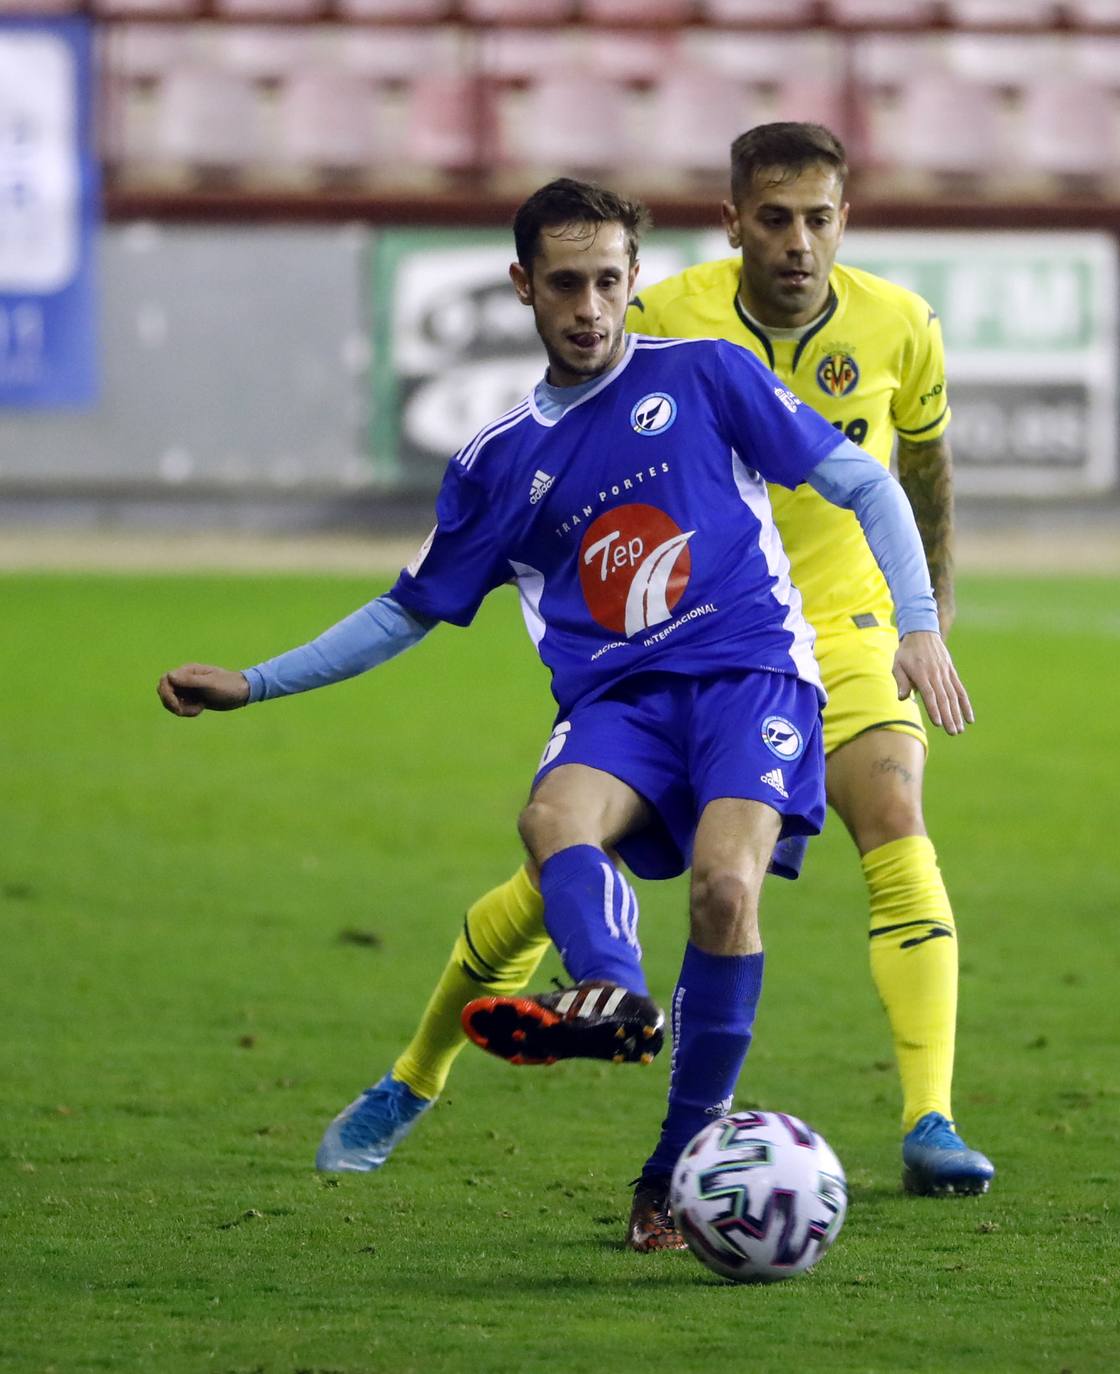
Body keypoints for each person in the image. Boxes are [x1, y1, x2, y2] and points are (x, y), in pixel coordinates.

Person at [157, 178, 972, 1251]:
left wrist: (917, 622)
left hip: (750, 678)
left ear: (635, 281)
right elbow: (404, 613)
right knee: (551, 826)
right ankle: (611, 994)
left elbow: (868, 484)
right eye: (564, 285)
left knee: (728, 893)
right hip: (618, 702)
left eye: (606, 281)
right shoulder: (498, 461)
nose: (588, 307)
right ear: (522, 289)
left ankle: (671, 1171)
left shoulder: (707, 374)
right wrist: (257, 682)